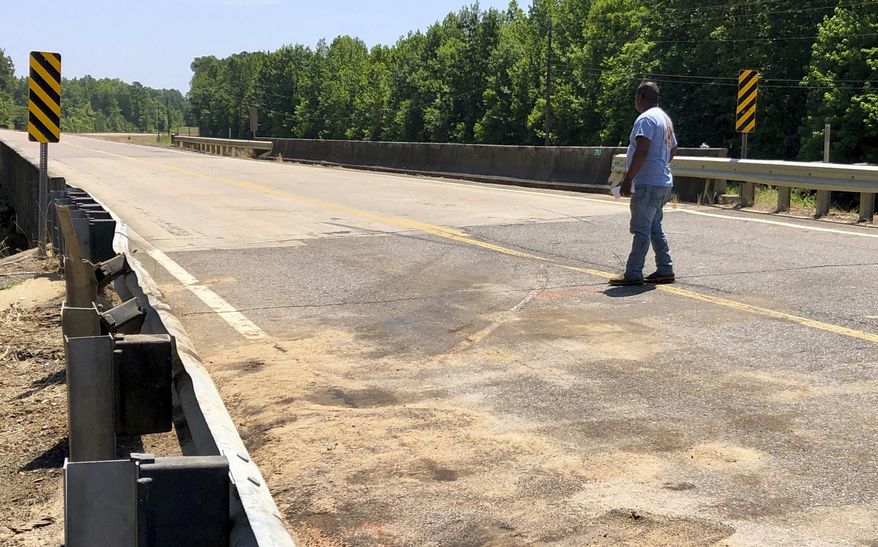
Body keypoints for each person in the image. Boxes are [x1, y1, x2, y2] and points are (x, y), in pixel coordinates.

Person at [610, 81, 678, 286]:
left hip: (648, 184)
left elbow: (642, 150)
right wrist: (660, 165)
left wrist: (628, 178)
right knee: (654, 226)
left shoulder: (646, 119)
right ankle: (665, 269)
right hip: (663, 182)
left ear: (640, 97)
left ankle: (633, 272)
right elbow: (673, 148)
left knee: (641, 229)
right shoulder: (665, 118)